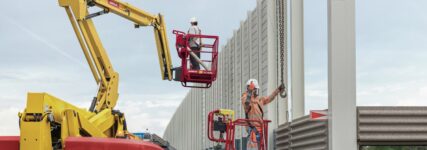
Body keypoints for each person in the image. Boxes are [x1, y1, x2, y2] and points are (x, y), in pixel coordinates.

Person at [241, 79, 285, 149]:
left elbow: (269, 98)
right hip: (253, 129)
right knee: (253, 147)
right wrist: (249, 93)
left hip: (261, 129)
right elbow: (246, 105)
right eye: (255, 89)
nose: (256, 92)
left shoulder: (259, 100)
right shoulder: (245, 97)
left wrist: (278, 90)